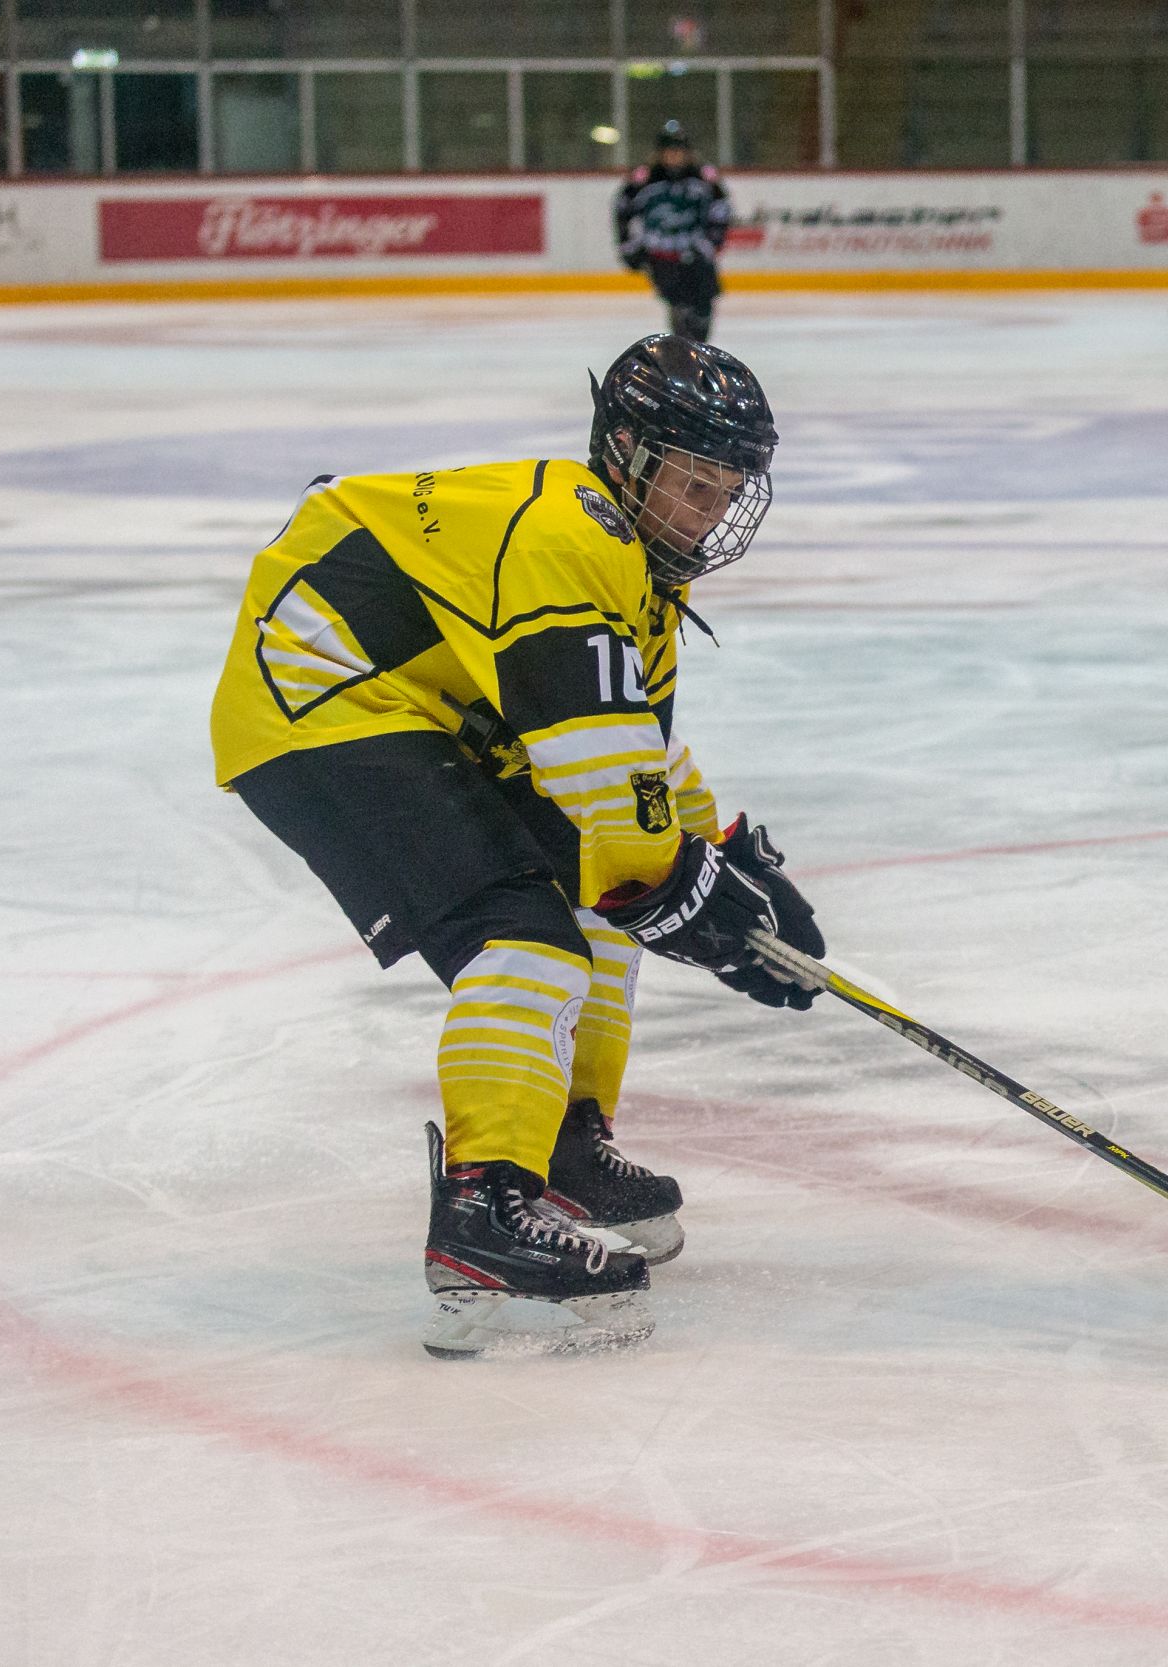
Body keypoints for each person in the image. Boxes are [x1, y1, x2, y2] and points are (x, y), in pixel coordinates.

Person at [208, 335, 828, 1357]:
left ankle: (561, 1146)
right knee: (524, 935)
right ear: (627, 455)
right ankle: (483, 1212)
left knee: (598, 906)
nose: (709, 515)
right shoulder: (567, 538)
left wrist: (726, 854)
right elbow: (612, 796)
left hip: (421, 707)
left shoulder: (635, 577)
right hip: (321, 701)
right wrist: (694, 897)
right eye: (694, 485)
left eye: (726, 493)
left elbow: (639, 754)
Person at [613, 120, 733, 343]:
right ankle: (686, 349)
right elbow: (622, 209)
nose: (674, 155)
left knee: (703, 307)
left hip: (696, 255)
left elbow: (721, 210)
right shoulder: (645, 179)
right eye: (669, 150)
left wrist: (712, 242)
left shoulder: (703, 177)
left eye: (678, 150)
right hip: (663, 257)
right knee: (680, 309)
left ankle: (696, 348)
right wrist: (628, 245)